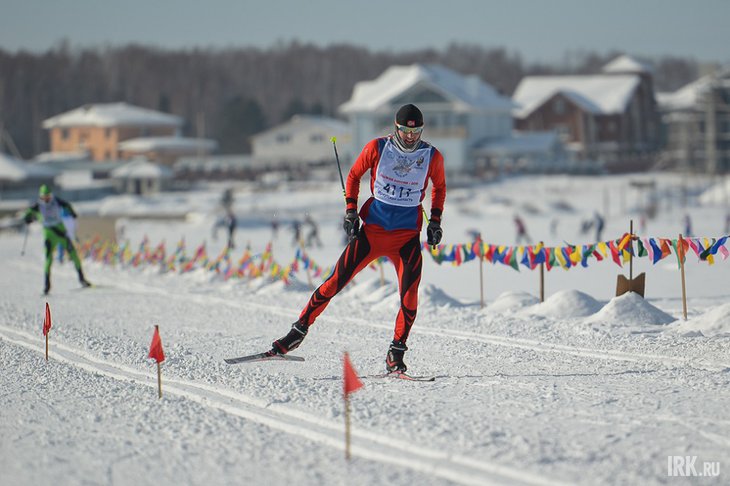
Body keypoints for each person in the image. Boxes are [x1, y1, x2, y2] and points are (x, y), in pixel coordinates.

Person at [269, 104, 446, 373]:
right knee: (333, 284)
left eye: (416, 132)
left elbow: (440, 188)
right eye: (405, 131)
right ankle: (296, 333)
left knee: (410, 299)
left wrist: (435, 221)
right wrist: (351, 212)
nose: (411, 137)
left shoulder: (432, 156)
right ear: (395, 128)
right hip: (372, 233)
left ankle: (396, 352)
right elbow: (353, 176)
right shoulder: (377, 148)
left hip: (406, 238)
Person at [24, 184, 91, 295]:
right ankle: (46, 285)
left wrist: (73, 213)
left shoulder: (56, 201)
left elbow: (68, 206)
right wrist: (28, 218)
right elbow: (28, 213)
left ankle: (82, 279)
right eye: (44, 196)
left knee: (73, 254)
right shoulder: (37, 205)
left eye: (48, 196)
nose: (46, 198)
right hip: (49, 234)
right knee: (48, 259)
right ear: (41, 196)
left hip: (61, 231)